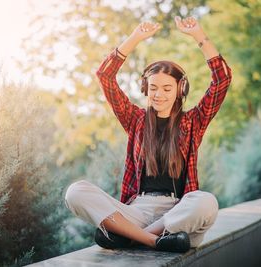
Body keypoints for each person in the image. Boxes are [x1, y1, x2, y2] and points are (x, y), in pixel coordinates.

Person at [64, 15, 232, 253]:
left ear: (180, 90)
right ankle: (153, 241)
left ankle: (129, 238)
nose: (159, 94)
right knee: (76, 192)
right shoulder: (135, 119)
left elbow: (222, 79)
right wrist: (135, 38)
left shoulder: (193, 121)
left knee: (206, 202)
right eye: (153, 88)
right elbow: (105, 76)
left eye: (166, 88)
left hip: (177, 215)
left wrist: (198, 35)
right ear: (145, 89)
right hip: (138, 211)